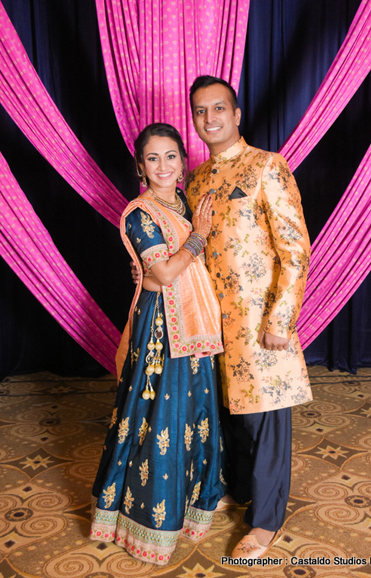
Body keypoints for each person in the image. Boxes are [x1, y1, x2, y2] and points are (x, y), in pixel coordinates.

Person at [185, 75, 313, 559]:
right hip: (211, 322)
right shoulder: (195, 181)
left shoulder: (267, 166)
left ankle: (265, 522)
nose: (210, 118)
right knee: (228, 417)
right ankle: (240, 492)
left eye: (219, 108)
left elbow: (295, 249)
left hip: (260, 322)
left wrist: (282, 319)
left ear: (236, 114)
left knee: (266, 419)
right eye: (200, 110)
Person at [90, 123, 226, 566]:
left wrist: (155, 268)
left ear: (183, 163)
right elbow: (166, 273)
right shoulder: (139, 213)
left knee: (195, 410)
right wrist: (196, 239)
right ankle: (145, 521)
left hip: (195, 322)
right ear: (139, 167)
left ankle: (191, 506)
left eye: (171, 156)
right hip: (162, 328)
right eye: (153, 158)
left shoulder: (184, 205)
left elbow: (163, 268)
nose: (163, 166)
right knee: (158, 415)